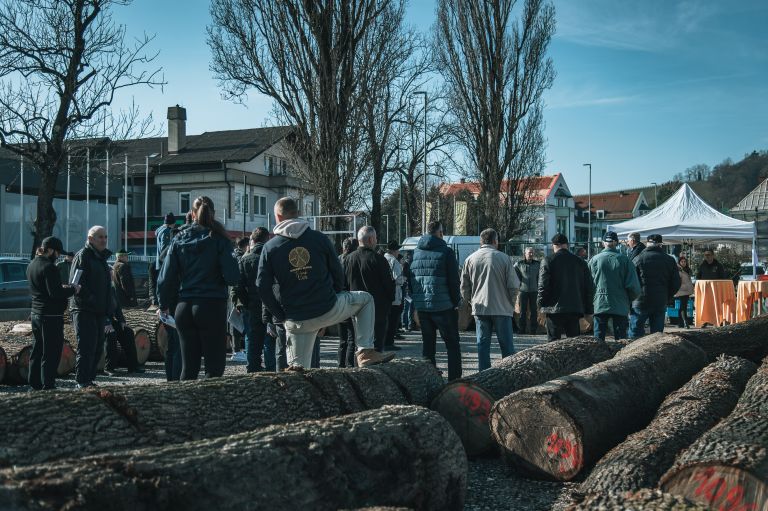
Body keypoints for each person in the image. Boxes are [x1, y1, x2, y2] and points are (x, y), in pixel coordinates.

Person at [257, 197, 393, 368]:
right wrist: (331, 296)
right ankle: (365, 351)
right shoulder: (319, 239)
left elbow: (262, 286)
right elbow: (338, 273)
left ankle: (298, 377)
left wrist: (281, 315)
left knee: (299, 369)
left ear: (278, 216)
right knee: (366, 299)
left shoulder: (270, 247)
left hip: (296, 317)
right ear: (298, 213)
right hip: (326, 308)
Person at [158, 196, 240, 380]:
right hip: (211, 304)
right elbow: (233, 277)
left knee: (188, 367)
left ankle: (185, 399)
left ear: (192, 214)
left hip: (184, 306)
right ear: (213, 213)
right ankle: (209, 399)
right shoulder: (220, 239)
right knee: (214, 368)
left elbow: (165, 277)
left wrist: (163, 304)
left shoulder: (178, 238)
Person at [410, 220, 462, 380]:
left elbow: (411, 279)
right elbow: (454, 281)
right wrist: (456, 302)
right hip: (443, 306)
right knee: (452, 345)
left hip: (423, 306)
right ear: (440, 233)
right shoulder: (446, 252)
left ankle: (430, 380)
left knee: (428, 346)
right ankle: (454, 380)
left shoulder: (416, 252)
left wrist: (416, 301)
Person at [461, 228, 519, 370]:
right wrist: (511, 304)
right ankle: (509, 374)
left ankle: (484, 376)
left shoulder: (470, 259)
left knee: (482, 347)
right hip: (502, 308)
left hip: (480, 308)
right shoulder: (504, 258)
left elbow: (464, 287)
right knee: (507, 348)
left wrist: (470, 302)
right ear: (495, 241)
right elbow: (513, 286)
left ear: (481, 241)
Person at [27, 237, 80, 390]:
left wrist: (60, 286)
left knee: (37, 349)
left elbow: (44, 288)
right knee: (51, 351)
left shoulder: (32, 264)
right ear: (50, 250)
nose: (58, 256)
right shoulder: (50, 267)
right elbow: (55, 293)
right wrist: (73, 289)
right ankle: (48, 384)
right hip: (50, 315)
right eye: (57, 253)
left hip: (36, 313)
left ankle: (34, 382)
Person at [70, 226, 114, 388]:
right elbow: (76, 283)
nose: (104, 240)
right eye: (100, 237)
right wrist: (92, 299)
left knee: (97, 348)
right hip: (84, 309)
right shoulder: (83, 256)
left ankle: (89, 380)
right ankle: (81, 381)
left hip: (99, 311)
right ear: (90, 239)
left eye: (105, 237)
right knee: (86, 347)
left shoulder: (101, 258)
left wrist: (108, 307)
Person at [342, 226, 395, 352]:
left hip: (353, 308)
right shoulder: (379, 259)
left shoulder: (348, 259)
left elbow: (343, 284)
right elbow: (389, 285)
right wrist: (389, 302)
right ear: (371, 239)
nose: (376, 241)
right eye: (375, 238)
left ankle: (355, 363)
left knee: (355, 344)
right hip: (377, 310)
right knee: (375, 346)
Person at [537, 234, 594, 341]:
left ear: (554, 245)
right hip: (574, 308)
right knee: (574, 343)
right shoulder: (580, 262)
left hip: (553, 309)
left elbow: (543, 286)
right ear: (567, 245)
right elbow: (588, 287)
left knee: (553, 343)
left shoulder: (548, 260)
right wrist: (588, 310)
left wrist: (540, 305)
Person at [588, 231, 641, 341]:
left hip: (599, 303)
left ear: (603, 243)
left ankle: (600, 352)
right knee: (621, 340)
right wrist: (627, 300)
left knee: (598, 339)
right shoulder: (625, 261)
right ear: (616, 243)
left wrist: (591, 300)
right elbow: (634, 287)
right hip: (620, 304)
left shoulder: (594, 260)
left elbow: (587, 285)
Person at [630, 234, 681, 339]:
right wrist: (667, 296)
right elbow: (676, 283)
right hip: (660, 300)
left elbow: (631, 282)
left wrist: (633, 297)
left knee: (635, 334)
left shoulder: (638, 259)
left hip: (640, 301)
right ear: (661, 245)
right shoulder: (669, 260)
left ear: (647, 244)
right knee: (656, 337)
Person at [236, 227, 270, 372]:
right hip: (269, 303)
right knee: (270, 337)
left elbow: (238, 285)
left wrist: (246, 302)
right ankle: (271, 367)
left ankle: (253, 366)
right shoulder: (270, 255)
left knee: (252, 337)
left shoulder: (245, 259)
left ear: (253, 240)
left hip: (252, 304)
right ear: (267, 239)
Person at [157, 226, 182, 381]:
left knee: (172, 343)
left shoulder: (164, 255)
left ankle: (171, 377)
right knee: (178, 343)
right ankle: (175, 377)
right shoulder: (176, 254)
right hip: (175, 303)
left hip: (168, 304)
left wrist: (161, 304)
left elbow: (160, 282)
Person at [104, 282, 142, 375]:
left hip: (111, 320)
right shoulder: (99, 288)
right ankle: (109, 368)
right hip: (99, 321)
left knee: (128, 332)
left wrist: (122, 321)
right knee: (111, 334)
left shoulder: (111, 288)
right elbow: (98, 308)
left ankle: (133, 366)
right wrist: (106, 323)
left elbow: (117, 307)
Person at [337, 236, 358, 367]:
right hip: (350, 298)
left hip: (339, 299)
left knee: (342, 338)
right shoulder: (353, 260)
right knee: (352, 338)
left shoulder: (338, 259)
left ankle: (340, 365)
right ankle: (349, 365)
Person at [229, 236, 251, 360]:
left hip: (236, 298)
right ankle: (242, 352)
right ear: (246, 246)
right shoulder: (242, 258)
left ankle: (236, 350)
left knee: (236, 325)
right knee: (245, 326)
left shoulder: (233, 256)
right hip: (241, 298)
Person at [384, 240, 406, 351]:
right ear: (393, 251)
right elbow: (397, 279)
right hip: (395, 293)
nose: (398, 252)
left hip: (384, 294)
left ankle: (384, 341)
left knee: (386, 319)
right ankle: (389, 342)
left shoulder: (382, 258)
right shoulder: (394, 261)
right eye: (397, 250)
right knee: (393, 320)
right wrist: (404, 279)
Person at [514, 247, 540, 335]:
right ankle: (522, 329)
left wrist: (538, 286)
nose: (531, 254)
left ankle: (533, 330)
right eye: (529, 253)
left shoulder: (538, 264)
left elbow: (540, 276)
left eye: (532, 253)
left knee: (534, 311)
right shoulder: (519, 264)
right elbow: (514, 275)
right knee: (522, 311)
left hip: (534, 291)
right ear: (525, 254)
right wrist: (519, 285)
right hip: (523, 291)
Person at [675, 255, 694, 329]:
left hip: (687, 290)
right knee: (684, 306)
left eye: (684, 261)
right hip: (682, 290)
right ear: (679, 262)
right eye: (682, 261)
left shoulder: (687, 270)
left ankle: (680, 324)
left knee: (682, 306)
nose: (683, 263)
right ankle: (686, 322)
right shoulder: (678, 270)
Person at [400, 253, 415, 331]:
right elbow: (405, 277)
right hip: (408, 289)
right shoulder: (406, 265)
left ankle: (408, 325)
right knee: (407, 308)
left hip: (409, 288)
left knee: (409, 307)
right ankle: (405, 325)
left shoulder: (407, 264)